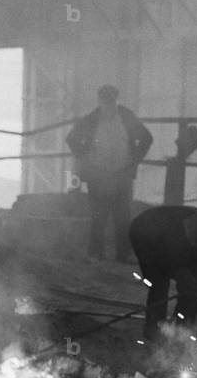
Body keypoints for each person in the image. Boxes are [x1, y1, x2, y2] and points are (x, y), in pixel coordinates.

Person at [66, 84, 153, 261]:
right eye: (106, 103)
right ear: (100, 102)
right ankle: (98, 253)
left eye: (111, 103)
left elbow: (146, 138)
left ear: (115, 101)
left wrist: (134, 159)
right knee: (100, 216)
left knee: (122, 216)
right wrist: (85, 157)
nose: (109, 107)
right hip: (100, 174)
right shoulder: (92, 120)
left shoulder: (125, 117)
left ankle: (120, 254)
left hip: (121, 173)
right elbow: (71, 139)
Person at [129, 206, 197, 340]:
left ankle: (182, 329)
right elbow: (168, 257)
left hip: (170, 245)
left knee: (195, 284)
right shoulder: (188, 227)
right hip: (145, 235)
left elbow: (195, 260)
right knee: (159, 281)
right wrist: (183, 276)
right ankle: (153, 329)